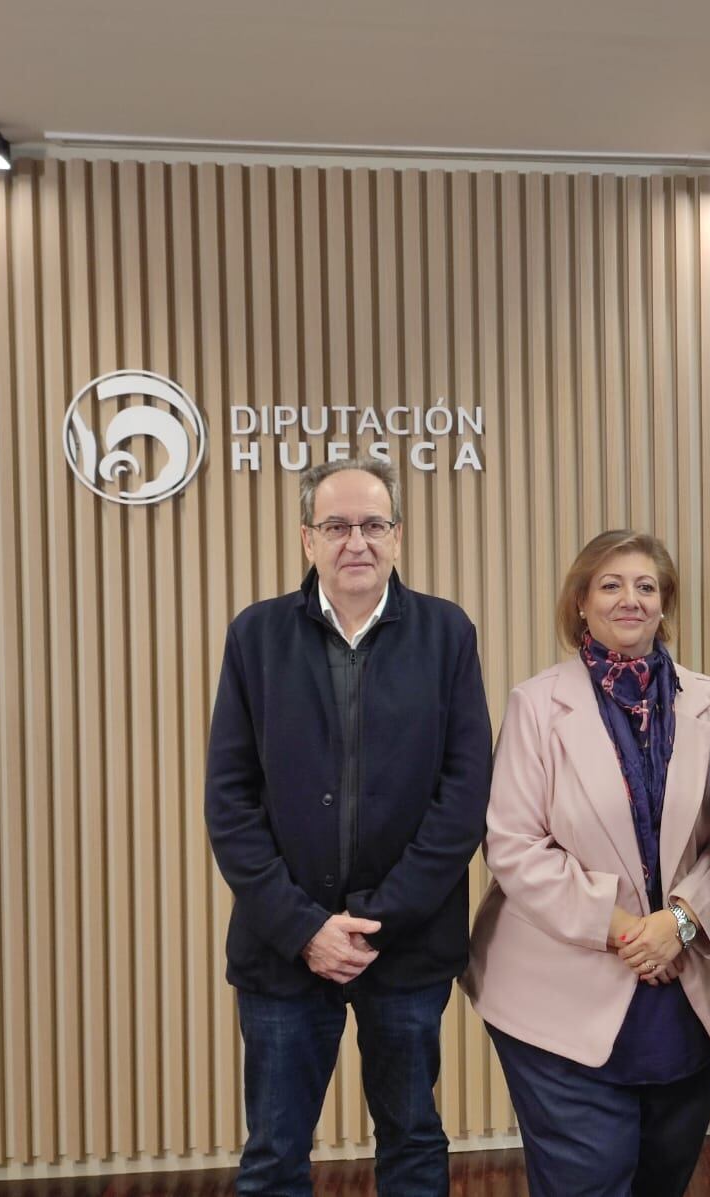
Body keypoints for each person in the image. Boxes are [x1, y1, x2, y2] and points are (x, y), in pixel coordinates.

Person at [205, 459, 494, 1196]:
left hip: (404, 946)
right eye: (336, 525)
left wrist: (373, 919)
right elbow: (230, 802)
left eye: (372, 524)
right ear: (308, 538)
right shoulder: (257, 635)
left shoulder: (446, 632)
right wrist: (306, 927)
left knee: (412, 1141)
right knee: (273, 1153)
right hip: (282, 949)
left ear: (397, 536)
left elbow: (463, 796)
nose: (355, 541)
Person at [462, 530, 710, 1197]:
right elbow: (512, 844)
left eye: (646, 586)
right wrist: (622, 928)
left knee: (661, 1177)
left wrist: (680, 919)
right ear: (581, 603)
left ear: (664, 604)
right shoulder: (537, 704)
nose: (630, 599)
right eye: (611, 584)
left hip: (686, 986)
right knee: (585, 1181)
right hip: (557, 990)